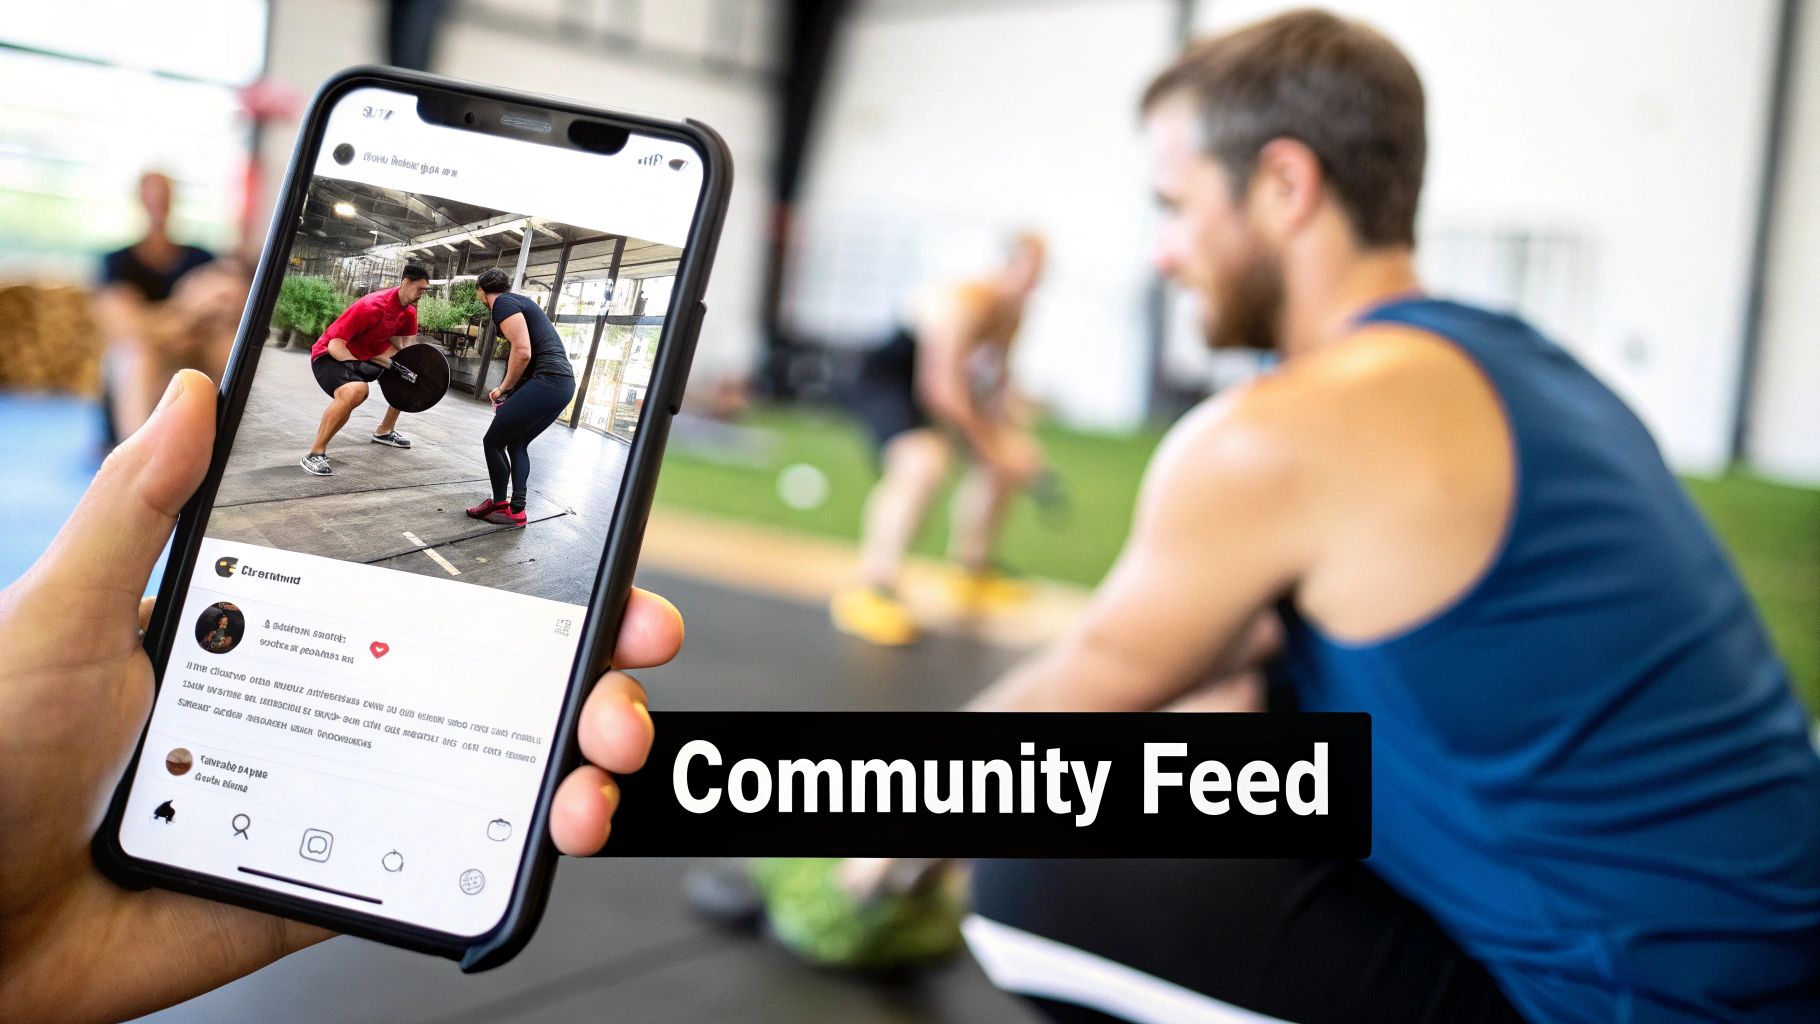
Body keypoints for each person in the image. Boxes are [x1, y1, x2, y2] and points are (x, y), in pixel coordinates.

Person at [952, 11, 1820, 1024]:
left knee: (1035, 875)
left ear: (1282, 184)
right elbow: (1221, 689)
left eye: (1174, 206)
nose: (1162, 253)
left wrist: (865, 855)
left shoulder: (1286, 428)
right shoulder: (1525, 371)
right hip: (1772, 972)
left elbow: (1072, 700)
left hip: (1651, 1009)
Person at [0, 369, 672, 1022]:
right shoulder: (389, 310)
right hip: (340, 361)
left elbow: (509, 351)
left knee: (500, 441)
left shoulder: (494, 316)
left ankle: (504, 498)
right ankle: (326, 451)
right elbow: (347, 344)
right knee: (380, 397)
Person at [830, 234, 1048, 646]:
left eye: (1042, 271)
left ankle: (972, 571)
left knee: (1009, 456)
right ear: (1008, 264)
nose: (1036, 280)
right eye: (1031, 268)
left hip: (946, 383)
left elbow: (997, 383)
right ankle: (871, 588)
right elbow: (940, 391)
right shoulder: (963, 301)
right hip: (889, 379)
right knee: (922, 464)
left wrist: (1008, 441)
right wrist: (990, 445)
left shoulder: (1014, 314)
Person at [92, 170, 242, 442]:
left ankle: (229, 442)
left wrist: (156, 321)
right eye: (152, 196)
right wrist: (188, 306)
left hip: (189, 351)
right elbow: (125, 329)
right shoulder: (117, 262)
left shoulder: (201, 257)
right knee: (136, 355)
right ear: (139, 201)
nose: (158, 203)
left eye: (164, 196)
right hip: (144, 356)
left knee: (226, 342)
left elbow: (226, 307)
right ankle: (133, 455)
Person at [464, 267, 578, 527]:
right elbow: (529, 353)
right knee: (517, 442)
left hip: (548, 380)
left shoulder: (502, 303)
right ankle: (517, 510)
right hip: (562, 385)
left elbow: (523, 351)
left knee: (492, 442)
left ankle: (500, 504)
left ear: (481, 292)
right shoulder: (518, 301)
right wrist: (512, 393)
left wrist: (503, 388)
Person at [300, 264, 431, 476]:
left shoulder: (408, 314)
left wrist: (409, 368)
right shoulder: (371, 305)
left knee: (408, 376)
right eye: (419, 289)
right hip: (330, 355)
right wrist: (357, 367)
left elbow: (408, 351)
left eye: (425, 290)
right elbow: (336, 344)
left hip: (367, 355)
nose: (421, 294)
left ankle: (384, 430)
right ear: (405, 282)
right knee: (356, 391)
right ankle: (315, 453)